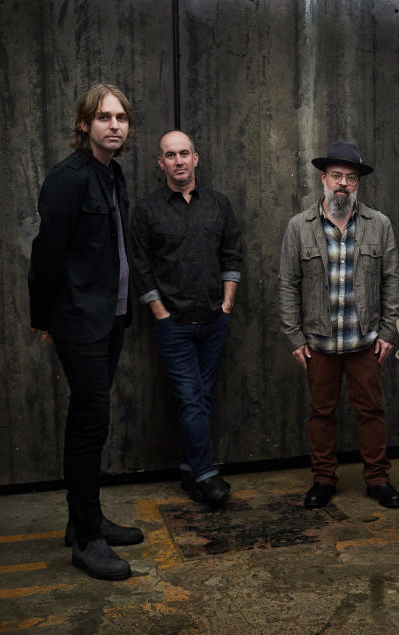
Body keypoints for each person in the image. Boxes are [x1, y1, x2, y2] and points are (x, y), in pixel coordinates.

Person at [28, 84, 144, 581]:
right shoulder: (68, 178)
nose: (113, 125)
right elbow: (46, 255)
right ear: (84, 125)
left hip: (111, 317)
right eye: (103, 117)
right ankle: (87, 539)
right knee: (91, 422)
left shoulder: (113, 176)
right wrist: (44, 318)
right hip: (79, 320)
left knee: (90, 419)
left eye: (120, 118)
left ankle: (84, 521)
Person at [279, 142, 399, 510]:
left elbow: (391, 281)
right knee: (321, 413)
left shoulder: (378, 224)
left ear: (358, 184)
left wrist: (387, 333)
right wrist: (294, 336)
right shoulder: (299, 227)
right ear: (324, 179)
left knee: (371, 412)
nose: (343, 184)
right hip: (319, 344)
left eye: (350, 178)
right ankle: (323, 479)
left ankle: (378, 479)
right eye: (336, 176)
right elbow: (288, 283)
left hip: (365, 342)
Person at [129, 130, 244, 509]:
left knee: (201, 398)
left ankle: (188, 470)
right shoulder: (147, 210)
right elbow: (141, 266)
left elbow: (232, 254)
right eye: (170, 155)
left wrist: (227, 302)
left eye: (184, 154)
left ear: (196, 158)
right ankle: (207, 476)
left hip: (214, 320)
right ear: (160, 163)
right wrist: (159, 312)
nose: (178, 161)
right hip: (173, 324)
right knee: (192, 400)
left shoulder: (218, 205)